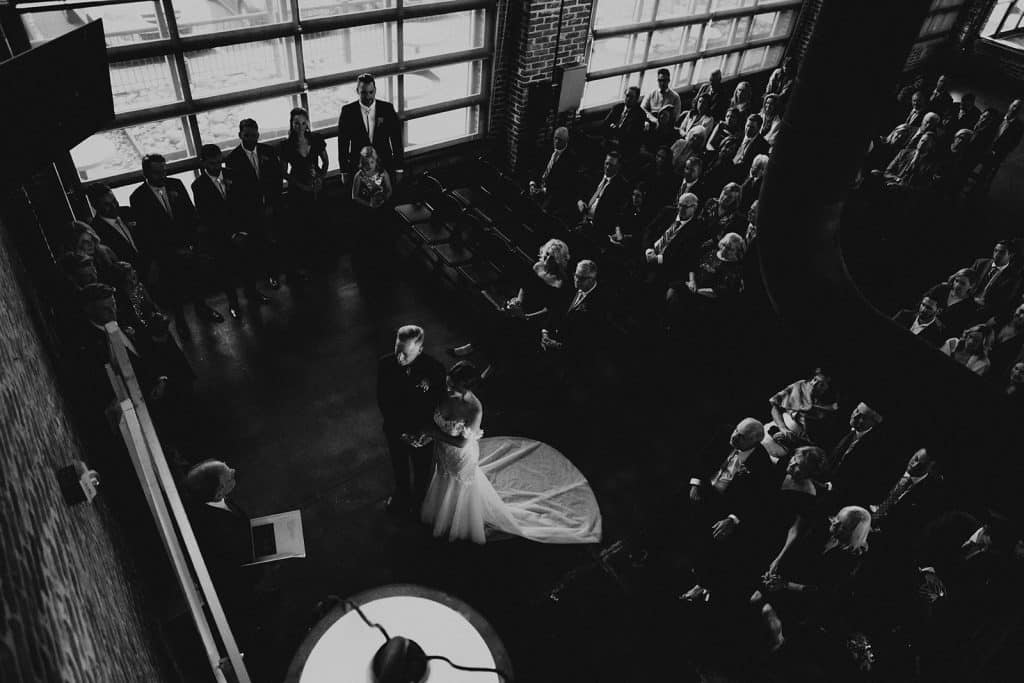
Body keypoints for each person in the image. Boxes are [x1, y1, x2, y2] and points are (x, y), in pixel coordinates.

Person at [419, 361, 602, 544]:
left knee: (458, 487)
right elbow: (436, 421)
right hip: (441, 450)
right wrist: (427, 435)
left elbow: (462, 443)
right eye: (448, 383)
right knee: (442, 479)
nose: (448, 389)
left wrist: (432, 433)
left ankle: (462, 519)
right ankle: (444, 512)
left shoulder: (474, 409)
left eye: (454, 387)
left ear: (468, 389)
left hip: (459, 458)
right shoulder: (445, 393)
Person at [680, 418, 780, 604]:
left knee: (715, 541)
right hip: (705, 489)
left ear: (754, 441)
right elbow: (704, 456)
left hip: (726, 506)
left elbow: (758, 500)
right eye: (736, 430)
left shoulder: (761, 464)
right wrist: (696, 482)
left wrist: (733, 519)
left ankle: (703, 584)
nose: (734, 436)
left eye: (741, 436)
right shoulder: (725, 434)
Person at [752, 506, 872, 652]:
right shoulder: (824, 531)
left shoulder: (851, 559)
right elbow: (799, 555)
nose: (835, 525)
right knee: (756, 597)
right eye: (837, 520)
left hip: (809, 598)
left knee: (767, 611)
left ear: (853, 534)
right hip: (791, 581)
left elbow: (822, 590)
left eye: (843, 527)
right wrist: (776, 568)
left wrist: (785, 585)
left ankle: (777, 644)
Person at [129, 153, 223, 332]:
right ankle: (180, 321)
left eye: (164, 170)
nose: (163, 176)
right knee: (174, 288)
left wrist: (190, 244)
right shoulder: (138, 197)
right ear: (146, 173)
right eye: (157, 173)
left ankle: (202, 308)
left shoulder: (176, 184)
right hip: (166, 252)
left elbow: (189, 213)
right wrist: (173, 251)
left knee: (197, 281)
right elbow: (148, 232)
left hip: (187, 245)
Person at [192, 144, 271, 319]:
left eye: (219, 162)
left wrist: (242, 231)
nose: (217, 167)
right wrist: (230, 235)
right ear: (203, 163)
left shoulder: (234, 175)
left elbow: (245, 203)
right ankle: (233, 303)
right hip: (221, 237)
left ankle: (252, 293)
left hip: (242, 231)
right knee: (226, 272)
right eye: (212, 163)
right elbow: (208, 216)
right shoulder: (199, 186)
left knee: (248, 265)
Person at [377, 325, 446, 515]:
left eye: (405, 354)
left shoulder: (435, 369)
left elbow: (441, 404)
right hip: (395, 430)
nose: (399, 358)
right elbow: (383, 402)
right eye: (397, 350)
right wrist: (401, 432)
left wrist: (429, 432)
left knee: (422, 469)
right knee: (399, 466)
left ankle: (420, 501)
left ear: (420, 350)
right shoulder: (385, 365)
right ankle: (402, 495)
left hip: (422, 433)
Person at [225, 118, 283, 290]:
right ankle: (265, 276)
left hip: (271, 204)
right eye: (246, 135)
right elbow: (236, 191)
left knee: (275, 240)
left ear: (258, 134)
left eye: (254, 135)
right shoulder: (233, 159)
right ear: (240, 135)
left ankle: (275, 273)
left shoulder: (268, 151)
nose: (251, 139)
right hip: (250, 210)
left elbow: (277, 178)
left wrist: (272, 202)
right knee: (259, 244)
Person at [279, 107, 329, 272]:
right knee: (302, 226)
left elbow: (325, 162)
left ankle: (321, 259)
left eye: (303, 122)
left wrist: (320, 178)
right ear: (291, 124)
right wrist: (300, 185)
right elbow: (283, 172)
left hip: (316, 187)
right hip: (298, 191)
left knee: (320, 222)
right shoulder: (286, 145)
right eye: (296, 123)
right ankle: (307, 261)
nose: (300, 126)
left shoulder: (315, 139)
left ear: (307, 123)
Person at [826, 402, 894, 507]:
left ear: (873, 423)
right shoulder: (838, 425)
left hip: (840, 497)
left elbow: (860, 481)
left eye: (863, 416)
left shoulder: (876, 449)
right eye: (856, 410)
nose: (855, 416)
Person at [337, 73, 403, 179]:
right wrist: (344, 171)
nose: (368, 97)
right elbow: (342, 144)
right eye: (363, 92)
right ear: (357, 91)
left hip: (384, 165)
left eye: (371, 92)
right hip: (358, 167)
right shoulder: (347, 111)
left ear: (375, 90)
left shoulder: (387, 109)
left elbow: (397, 140)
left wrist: (399, 168)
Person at [641, 192, 702, 292]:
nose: (681, 209)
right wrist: (648, 249)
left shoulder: (696, 229)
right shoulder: (667, 211)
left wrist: (659, 259)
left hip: (665, 266)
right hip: (648, 252)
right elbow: (649, 230)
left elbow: (685, 256)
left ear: (694, 208)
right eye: (680, 205)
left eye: (685, 206)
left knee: (649, 284)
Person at [87, 183, 144, 277]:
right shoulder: (96, 231)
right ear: (95, 206)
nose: (114, 206)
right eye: (107, 205)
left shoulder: (127, 212)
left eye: (115, 201)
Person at [768, 369, 839, 441]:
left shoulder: (831, 407)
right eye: (814, 380)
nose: (814, 384)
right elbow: (775, 407)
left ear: (828, 388)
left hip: (801, 441)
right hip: (778, 427)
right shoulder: (800, 386)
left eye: (821, 384)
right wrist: (783, 428)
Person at [575, 151, 630, 236]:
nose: (607, 167)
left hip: (598, 227)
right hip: (581, 217)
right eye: (606, 163)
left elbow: (615, 214)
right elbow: (582, 192)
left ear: (618, 167)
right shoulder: (595, 175)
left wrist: (592, 223)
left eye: (611, 165)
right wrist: (580, 201)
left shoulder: (622, 187)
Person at [350, 145, 394, 250]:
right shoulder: (359, 175)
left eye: (372, 162)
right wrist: (369, 204)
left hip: (382, 208)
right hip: (365, 210)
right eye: (366, 163)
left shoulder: (383, 172)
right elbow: (354, 196)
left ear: (376, 161)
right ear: (362, 162)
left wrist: (383, 200)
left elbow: (389, 190)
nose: (369, 166)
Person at [530, 126, 577, 214]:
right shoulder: (547, 147)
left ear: (566, 141)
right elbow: (536, 167)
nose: (556, 142)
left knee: (540, 212)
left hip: (551, 193)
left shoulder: (571, 159)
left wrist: (543, 190)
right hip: (538, 184)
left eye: (560, 140)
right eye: (555, 138)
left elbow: (564, 185)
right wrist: (532, 184)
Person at [972, 239, 1022, 319]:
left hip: (986, 313)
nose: (997, 254)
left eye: (1002, 252)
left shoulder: (1014, 277)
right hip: (967, 303)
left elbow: (1006, 303)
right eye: (995, 251)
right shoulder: (980, 264)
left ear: (1011, 255)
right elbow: (966, 281)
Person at [927, 267, 980, 338]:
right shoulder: (941, 289)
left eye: (963, 283)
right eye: (956, 281)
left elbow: (956, 331)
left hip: (939, 337)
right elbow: (921, 304)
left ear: (971, 286)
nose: (957, 285)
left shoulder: (969, 306)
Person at [981, 98, 1022, 184]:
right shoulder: (999, 116)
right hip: (984, 148)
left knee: (984, 175)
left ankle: (975, 192)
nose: (1014, 109)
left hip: (996, 154)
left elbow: (1013, 144)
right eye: (1014, 106)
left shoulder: (1019, 126)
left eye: (1017, 108)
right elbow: (988, 131)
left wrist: (997, 151)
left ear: (1019, 111)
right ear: (1010, 105)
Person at [601, 86, 647, 155]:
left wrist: (614, 129)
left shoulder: (640, 114)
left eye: (631, 97)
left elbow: (630, 135)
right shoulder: (617, 107)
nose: (628, 99)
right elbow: (605, 124)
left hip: (625, 147)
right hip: (609, 140)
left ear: (637, 99)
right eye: (627, 96)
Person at [641, 68, 682, 141]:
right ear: (657, 80)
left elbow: (676, 117)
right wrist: (653, 119)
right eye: (660, 80)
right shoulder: (651, 93)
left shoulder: (675, 97)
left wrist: (663, 121)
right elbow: (642, 109)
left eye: (665, 80)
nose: (662, 83)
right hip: (652, 122)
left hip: (666, 126)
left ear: (669, 81)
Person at [988, 303, 1024, 379]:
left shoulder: (1021, 343)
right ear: (1016, 309)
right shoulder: (998, 321)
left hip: (992, 375)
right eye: (1021, 311)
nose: (1022, 316)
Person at [731, 113, 769, 179]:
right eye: (747, 126)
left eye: (752, 127)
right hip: (728, 167)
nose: (748, 129)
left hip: (741, 176)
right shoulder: (738, 135)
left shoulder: (763, 146)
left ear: (759, 128)